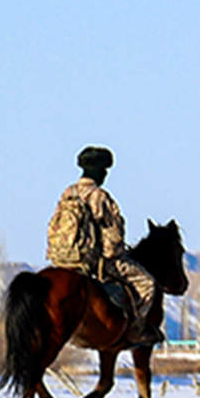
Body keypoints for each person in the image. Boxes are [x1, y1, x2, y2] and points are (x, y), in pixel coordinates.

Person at [45, 145, 158, 341]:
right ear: (98, 171)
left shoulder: (68, 192)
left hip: (62, 259)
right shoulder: (100, 196)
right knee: (147, 283)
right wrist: (117, 253)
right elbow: (113, 237)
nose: (105, 175)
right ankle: (135, 331)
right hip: (96, 261)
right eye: (104, 171)